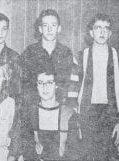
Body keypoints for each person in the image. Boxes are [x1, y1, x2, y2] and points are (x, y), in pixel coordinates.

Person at [20, 9, 78, 159]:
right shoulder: (30, 52)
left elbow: (70, 84)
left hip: (59, 112)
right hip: (36, 111)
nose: (50, 29)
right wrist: (32, 109)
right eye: (46, 25)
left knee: (59, 150)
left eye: (54, 25)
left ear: (59, 28)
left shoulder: (66, 53)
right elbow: (25, 84)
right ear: (40, 29)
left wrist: (66, 108)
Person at [75, 13, 119, 160]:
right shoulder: (81, 56)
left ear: (110, 33)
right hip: (88, 113)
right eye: (98, 28)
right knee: (88, 155)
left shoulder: (116, 56)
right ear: (91, 32)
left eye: (106, 29)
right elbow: (74, 90)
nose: (102, 32)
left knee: (108, 155)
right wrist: (78, 118)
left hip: (110, 114)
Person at [29, 63, 79, 160]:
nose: (44, 87)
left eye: (49, 82)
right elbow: (27, 151)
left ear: (56, 85)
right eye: (40, 82)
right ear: (36, 85)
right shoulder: (30, 113)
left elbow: (74, 153)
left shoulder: (69, 114)